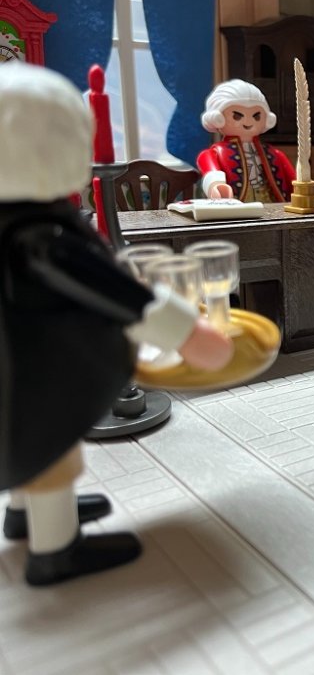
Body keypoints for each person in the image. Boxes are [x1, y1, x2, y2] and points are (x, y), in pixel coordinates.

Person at [0, 62, 234, 586]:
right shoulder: (40, 235)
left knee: (24, 443)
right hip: (35, 373)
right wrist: (187, 333)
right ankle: (55, 549)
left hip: (15, 365)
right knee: (51, 454)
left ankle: (24, 512)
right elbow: (121, 295)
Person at [197, 79, 296, 203]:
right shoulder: (214, 153)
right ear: (218, 118)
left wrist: (301, 193)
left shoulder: (274, 154)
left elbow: (293, 180)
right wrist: (216, 185)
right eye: (237, 116)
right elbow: (211, 170)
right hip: (237, 205)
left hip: (272, 202)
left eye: (256, 116)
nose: (248, 121)